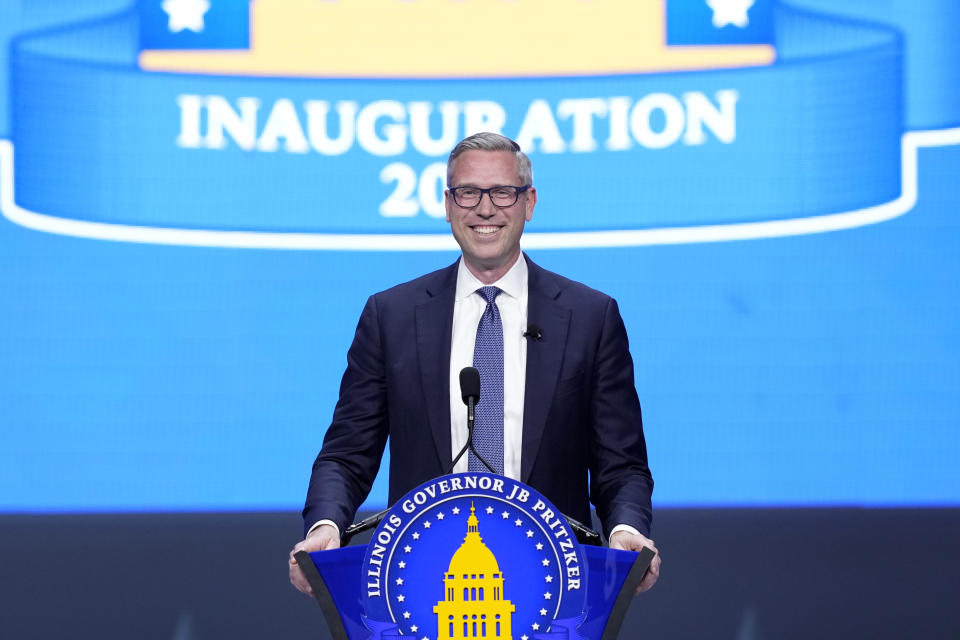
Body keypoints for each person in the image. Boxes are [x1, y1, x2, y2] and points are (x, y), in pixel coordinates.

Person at [289, 132, 660, 594]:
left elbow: (621, 464)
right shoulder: (392, 316)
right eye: (468, 192)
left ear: (529, 202)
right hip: (426, 582)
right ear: (448, 204)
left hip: (554, 584)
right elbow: (346, 455)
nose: (485, 209)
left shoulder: (590, 317)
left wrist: (625, 530)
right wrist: (324, 524)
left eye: (502, 192)